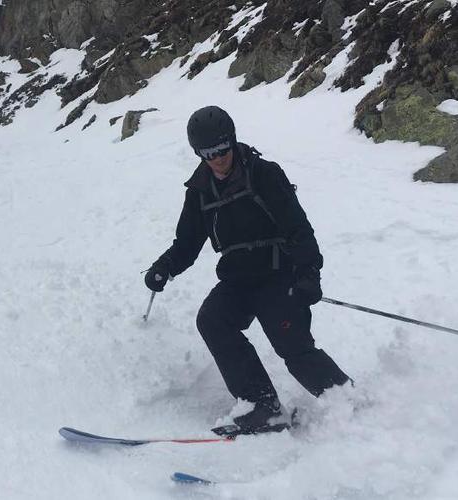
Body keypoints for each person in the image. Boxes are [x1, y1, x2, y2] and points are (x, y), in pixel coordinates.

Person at [145, 105, 350, 435]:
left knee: (292, 346)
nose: (217, 158)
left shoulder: (264, 174)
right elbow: (187, 242)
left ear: (232, 140)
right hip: (237, 280)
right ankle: (261, 405)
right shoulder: (198, 191)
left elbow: (298, 228)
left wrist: (309, 273)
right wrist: (164, 267)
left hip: (277, 274)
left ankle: (346, 401)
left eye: (222, 148)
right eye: (207, 152)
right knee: (212, 321)